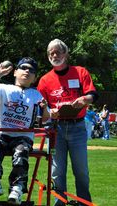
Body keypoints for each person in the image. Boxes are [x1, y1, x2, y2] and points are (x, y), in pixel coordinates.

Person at [0, 57, 49, 205]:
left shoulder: (37, 95)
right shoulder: (5, 88)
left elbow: (46, 119)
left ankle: (17, 188)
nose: (27, 71)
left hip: (22, 136)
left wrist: (44, 108)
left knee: (21, 151)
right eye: (24, 68)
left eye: (32, 70)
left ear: (35, 77)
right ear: (15, 72)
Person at [37, 39, 98, 206]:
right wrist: (50, 112)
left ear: (66, 54)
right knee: (57, 171)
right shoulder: (44, 80)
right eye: (51, 53)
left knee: (81, 171)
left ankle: (84, 202)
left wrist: (85, 99)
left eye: (57, 52)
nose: (54, 55)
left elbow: (93, 94)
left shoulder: (80, 72)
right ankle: (60, 202)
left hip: (77, 126)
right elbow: (40, 108)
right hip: (55, 129)